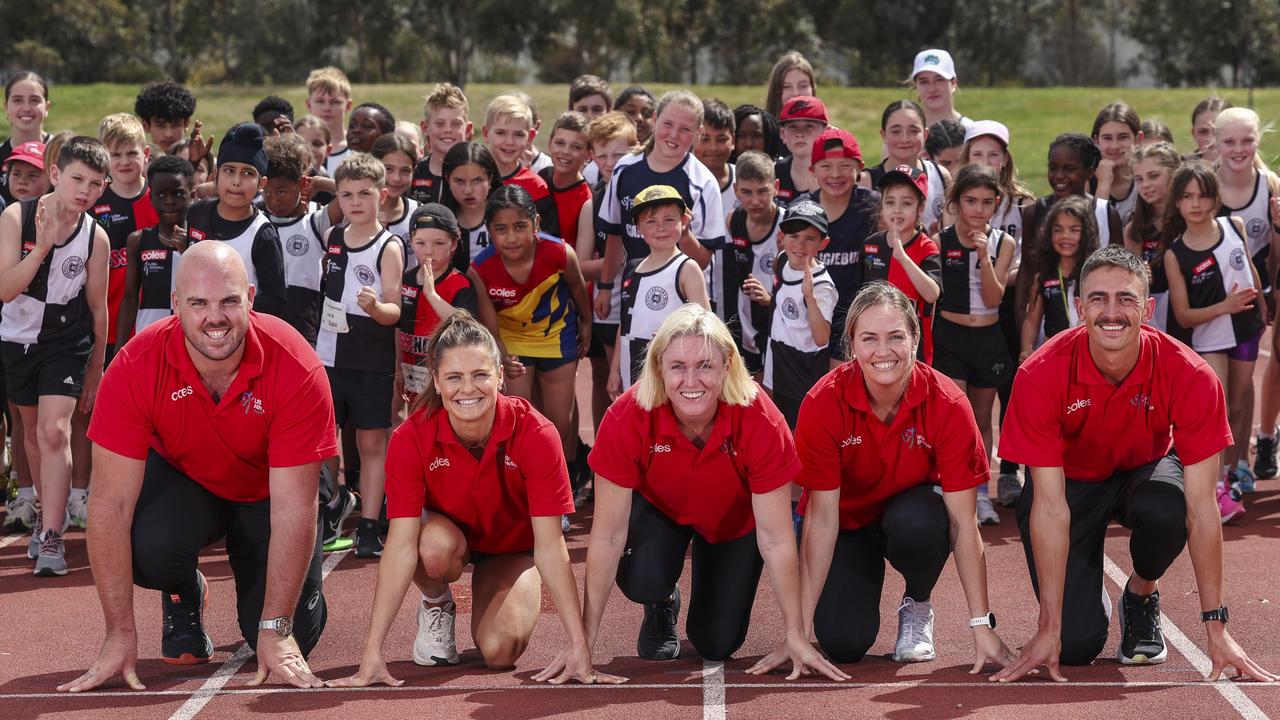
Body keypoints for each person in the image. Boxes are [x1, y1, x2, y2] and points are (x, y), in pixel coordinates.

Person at [994, 245, 1277, 683]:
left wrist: (1217, 629)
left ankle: (1141, 593)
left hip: (1143, 469)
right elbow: (1049, 508)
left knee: (1169, 509)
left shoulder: (1191, 374)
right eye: (1098, 298)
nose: (1112, 311)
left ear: (1146, 309)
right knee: (1076, 646)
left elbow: (1202, 510)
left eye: (1125, 299)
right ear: (1078, 306)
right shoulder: (1039, 374)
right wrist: (1048, 627)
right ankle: (1074, 613)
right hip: (1070, 482)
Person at [60, 241, 336, 691]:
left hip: (270, 490)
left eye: (229, 301)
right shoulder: (134, 365)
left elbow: (290, 508)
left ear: (250, 296)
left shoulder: (295, 365)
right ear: (175, 305)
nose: (215, 318)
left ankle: (302, 559)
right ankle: (184, 588)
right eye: (198, 303)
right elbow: (109, 508)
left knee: (284, 636)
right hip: (190, 480)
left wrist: (277, 629)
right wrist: (119, 633)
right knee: (149, 548)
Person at [327, 311, 623, 685]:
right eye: (454, 377)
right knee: (430, 546)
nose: (468, 389)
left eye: (480, 375)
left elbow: (552, 545)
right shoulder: (410, 437)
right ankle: (436, 602)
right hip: (446, 540)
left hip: (511, 548)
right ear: (436, 380)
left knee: (500, 652)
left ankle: (494, 601)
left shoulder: (537, 433)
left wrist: (580, 645)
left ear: (500, 375)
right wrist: (372, 653)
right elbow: (401, 545)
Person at [585, 304, 847, 680]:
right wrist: (584, 644)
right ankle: (662, 599)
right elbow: (608, 537)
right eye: (678, 366)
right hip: (662, 512)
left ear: (727, 366)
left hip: (732, 523)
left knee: (716, 644)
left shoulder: (761, 418)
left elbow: (775, 537)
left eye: (705, 365)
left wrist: (796, 633)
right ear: (660, 368)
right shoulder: (628, 415)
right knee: (645, 578)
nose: (691, 380)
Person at [797, 282, 1013, 667]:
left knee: (924, 520)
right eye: (869, 338)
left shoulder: (948, 404)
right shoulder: (822, 402)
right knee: (843, 643)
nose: (883, 351)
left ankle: (918, 601)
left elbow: (964, 521)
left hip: (911, 518)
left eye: (896, 336)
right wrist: (797, 634)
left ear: (916, 338)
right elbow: (822, 517)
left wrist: (982, 625)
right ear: (851, 343)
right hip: (846, 524)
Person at [0, 136, 111, 576]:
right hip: (18, 338)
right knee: (31, 431)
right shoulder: (17, 216)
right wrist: (42, 246)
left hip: (67, 342)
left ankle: (51, 536)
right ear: (56, 175)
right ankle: (51, 513)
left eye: (97, 184)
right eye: (78, 179)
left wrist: (96, 369)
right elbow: (7, 289)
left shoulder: (95, 237)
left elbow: (99, 308)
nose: (85, 191)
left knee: (54, 430)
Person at [1162, 163, 1263, 520]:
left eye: (1203, 196)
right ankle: (1214, 486)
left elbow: (1249, 270)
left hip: (1246, 331)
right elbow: (1184, 314)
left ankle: (1232, 473)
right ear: (1176, 202)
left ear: (1215, 199)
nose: (1196, 204)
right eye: (1187, 196)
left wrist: (1262, 313)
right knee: (1217, 412)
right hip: (1210, 339)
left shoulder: (1234, 227)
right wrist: (1224, 306)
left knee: (1237, 405)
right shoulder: (1176, 254)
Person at [317, 153, 405, 558]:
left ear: (381, 196)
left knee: (371, 444)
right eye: (347, 194)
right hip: (329, 357)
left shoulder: (388, 246)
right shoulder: (334, 235)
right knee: (324, 441)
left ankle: (369, 524)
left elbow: (394, 311)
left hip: (371, 358)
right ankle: (331, 505)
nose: (355, 202)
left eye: (365, 194)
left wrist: (374, 308)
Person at [472, 185, 591, 471]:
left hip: (557, 338)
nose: (511, 238)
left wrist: (586, 323)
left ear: (536, 223)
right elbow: (489, 323)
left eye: (520, 226)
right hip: (511, 344)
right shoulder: (480, 269)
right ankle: (520, 487)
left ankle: (559, 489)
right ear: (489, 230)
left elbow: (577, 287)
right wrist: (501, 355)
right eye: (501, 229)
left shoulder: (560, 253)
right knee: (516, 421)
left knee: (557, 423)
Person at [933, 164, 1016, 526]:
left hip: (988, 337)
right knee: (956, 416)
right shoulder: (941, 240)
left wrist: (984, 256)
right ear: (956, 202)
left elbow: (994, 296)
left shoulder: (1004, 242)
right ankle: (953, 489)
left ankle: (982, 494)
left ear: (996, 204)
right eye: (970, 201)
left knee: (982, 419)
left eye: (986, 202)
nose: (978, 210)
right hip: (950, 337)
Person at [1211, 107, 1280, 489]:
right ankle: (1212, 465)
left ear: (1258, 140)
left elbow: (1273, 252)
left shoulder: (1269, 184)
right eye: (1230, 141)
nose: (1239, 149)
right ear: (1216, 144)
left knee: (1242, 380)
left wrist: (1270, 295)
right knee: (1214, 385)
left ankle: (1237, 464)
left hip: (1253, 294)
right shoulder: (1204, 183)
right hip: (1208, 292)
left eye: (1247, 140)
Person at [611, 185, 709, 394]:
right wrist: (614, 368)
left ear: (683, 222)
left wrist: (673, 336)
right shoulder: (632, 268)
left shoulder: (686, 268)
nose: (661, 228)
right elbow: (625, 325)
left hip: (670, 371)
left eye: (669, 220)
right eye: (651, 221)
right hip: (632, 369)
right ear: (638, 228)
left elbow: (706, 323)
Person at [186, 123, 288, 319]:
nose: (236, 181)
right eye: (229, 170)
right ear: (216, 174)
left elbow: (276, 300)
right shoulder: (196, 214)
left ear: (262, 184)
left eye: (247, 173)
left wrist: (230, 303)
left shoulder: (263, 234)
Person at [761, 200, 837, 427]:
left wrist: (809, 298)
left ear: (823, 243)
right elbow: (781, 283)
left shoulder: (821, 285)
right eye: (794, 236)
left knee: (797, 430)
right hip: (777, 356)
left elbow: (822, 337)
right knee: (775, 422)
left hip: (802, 367)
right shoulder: (783, 258)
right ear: (782, 237)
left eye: (810, 238)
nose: (800, 245)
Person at [396, 204, 481, 406]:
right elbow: (397, 329)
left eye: (439, 243)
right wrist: (398, 368)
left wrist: (432, 295)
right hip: (411, 372)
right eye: (420, 243)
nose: (429, 250)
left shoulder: (460, 283)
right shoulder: (404, 280)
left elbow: (465, 324)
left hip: (446, 377)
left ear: (453, 244)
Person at [92, 114, 159, 365]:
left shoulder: (162, 200)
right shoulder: (92, 203)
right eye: (115, 155)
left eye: (131, 153)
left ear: (147, 153)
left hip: (152, 322)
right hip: (105, 325)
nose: (124, 162)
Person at [861, 165, 941, 363]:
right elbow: (861, 295)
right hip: (876, 344)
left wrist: (903, 259)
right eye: (890, 202)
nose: (897, 209)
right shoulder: (871, 245)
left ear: (920, 209)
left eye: (906, 203)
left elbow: (932, 294)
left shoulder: (927, 247)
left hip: (914, 348)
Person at [116, 155, 193, 346]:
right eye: (160, 194)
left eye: (177, 194)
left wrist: (188, 251)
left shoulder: (201, 239)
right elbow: (130, 297)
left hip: (190, 338)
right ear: (150, 197)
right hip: (150, 337)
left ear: (191, 194)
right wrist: (120, 347)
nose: (169, 201)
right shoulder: (138, 240)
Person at [1020, 196, 1098, 361]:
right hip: (1055, 355)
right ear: (1049, 233)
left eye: (1074, 229)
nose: (1065, 236)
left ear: (1087, 233)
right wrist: (1027, 349)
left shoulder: (1096, 273)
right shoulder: (1043, 275)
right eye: (1058, 229)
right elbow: (1032, 320)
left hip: (1090, 354)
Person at [727, 150, 782, 372]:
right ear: (735, 190)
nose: (755, 200)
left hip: (779, 324)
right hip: (746, 322)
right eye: (746, 192)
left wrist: (771, 298)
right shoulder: (733, 220)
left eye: (763, 191)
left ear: (776, 186)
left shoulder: (789, 225)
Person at [865, 100, 950, 234]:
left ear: (925, 134)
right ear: (883, 135)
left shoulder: (941, 175)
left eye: (913, 131)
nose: (904, 139)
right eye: (896, 131)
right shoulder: (866, 181)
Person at [1124, 141, 1180, 332]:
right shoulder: (1135, 228)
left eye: (1154, 176)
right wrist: (1140, 274)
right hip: (1158, 318)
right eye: (1139, 179)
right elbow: (1133, 284)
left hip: (1196, 309)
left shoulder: (1191, 217)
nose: (1145, 185)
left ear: (1174, 173)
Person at [482, 95, 555, 220]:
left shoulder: (537, 187)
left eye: (518, 134)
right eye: (501, 133)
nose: (509, 142)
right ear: (486, 133)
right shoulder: (471, 179)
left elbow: (547, 237)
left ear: (530, 137)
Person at [442, 142, 503, 272]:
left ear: (490, 179)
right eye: (459, 181)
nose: (468, 190)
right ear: (448, 181)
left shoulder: (507, 218)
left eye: (477, 181)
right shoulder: (439, 221)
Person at [410, 83, 472, 206]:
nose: (448, 130)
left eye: (456, 124)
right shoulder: (414, 173)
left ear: (468, 129)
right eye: (440, 123)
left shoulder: (479, 173)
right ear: (425, 127)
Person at [537, 111, 592, 244]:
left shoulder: (586, 200)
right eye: (560, 143)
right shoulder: (540, 178)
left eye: (576, 147)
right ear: (550, 144)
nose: (565, 152)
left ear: (589, 155)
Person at [1, 71, 52, 207]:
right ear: (6, 107)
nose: (26, 108)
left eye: (34, 100)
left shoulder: (64, 154)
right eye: (18, 100)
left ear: (47, 107)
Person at [371, 133, 421, 269]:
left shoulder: (420, 214)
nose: (396, 178)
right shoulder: (354, 210)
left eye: (405, 171)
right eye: (388, 169)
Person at [1091, 102, 1143, 225]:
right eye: (1107, 138)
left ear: (1138, 139)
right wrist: (1103, 184)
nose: (1114, 146)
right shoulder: (1087, 181)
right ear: (1096, 141)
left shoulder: (1147, 177)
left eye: (1123, 137)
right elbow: (1095, 233)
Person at [773, 96, 828, 206]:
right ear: (783, 134)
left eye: (809, 126)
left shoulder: (835, 175)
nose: (800, 134)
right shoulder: (772, 173)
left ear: (825, 133)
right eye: (793, 126)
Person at [305, 67, 353, 175]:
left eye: (335, 102)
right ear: (308, 104)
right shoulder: (298, 147)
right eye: (320, 101)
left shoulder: (356, 148)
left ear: (348, 105)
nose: (327, 108)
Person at [694, 99, 737, 213]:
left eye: (721, 139)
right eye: (704, 139)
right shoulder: (682, 180)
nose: (713, 147)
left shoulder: (745, 178)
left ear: (733, 141)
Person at [910, 49, 971, 129]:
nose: (932, 89)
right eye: (924, 82)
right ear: (916, 86)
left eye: (939, 80)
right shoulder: (906, 136)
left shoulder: (973, 133)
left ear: (953, 83)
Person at [134, 80, 196, 155]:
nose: (168, 134)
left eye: (176, 125)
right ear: (146, 125)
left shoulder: (202, 164)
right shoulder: (138, 164)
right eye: (160, 125)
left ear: (186, 124)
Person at [764, 51, 817, 120]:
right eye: (787, 86)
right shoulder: (760, 129)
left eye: (803, 86)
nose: (796, 93)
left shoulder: (829, 130)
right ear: (776, 91)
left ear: (812, 89)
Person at [1190, 96, 1231, 163]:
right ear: (1194, 134)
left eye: (1218, 132)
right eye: (1203, 132)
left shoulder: (1250, 167)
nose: (1211, 139)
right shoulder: (1181, 170)